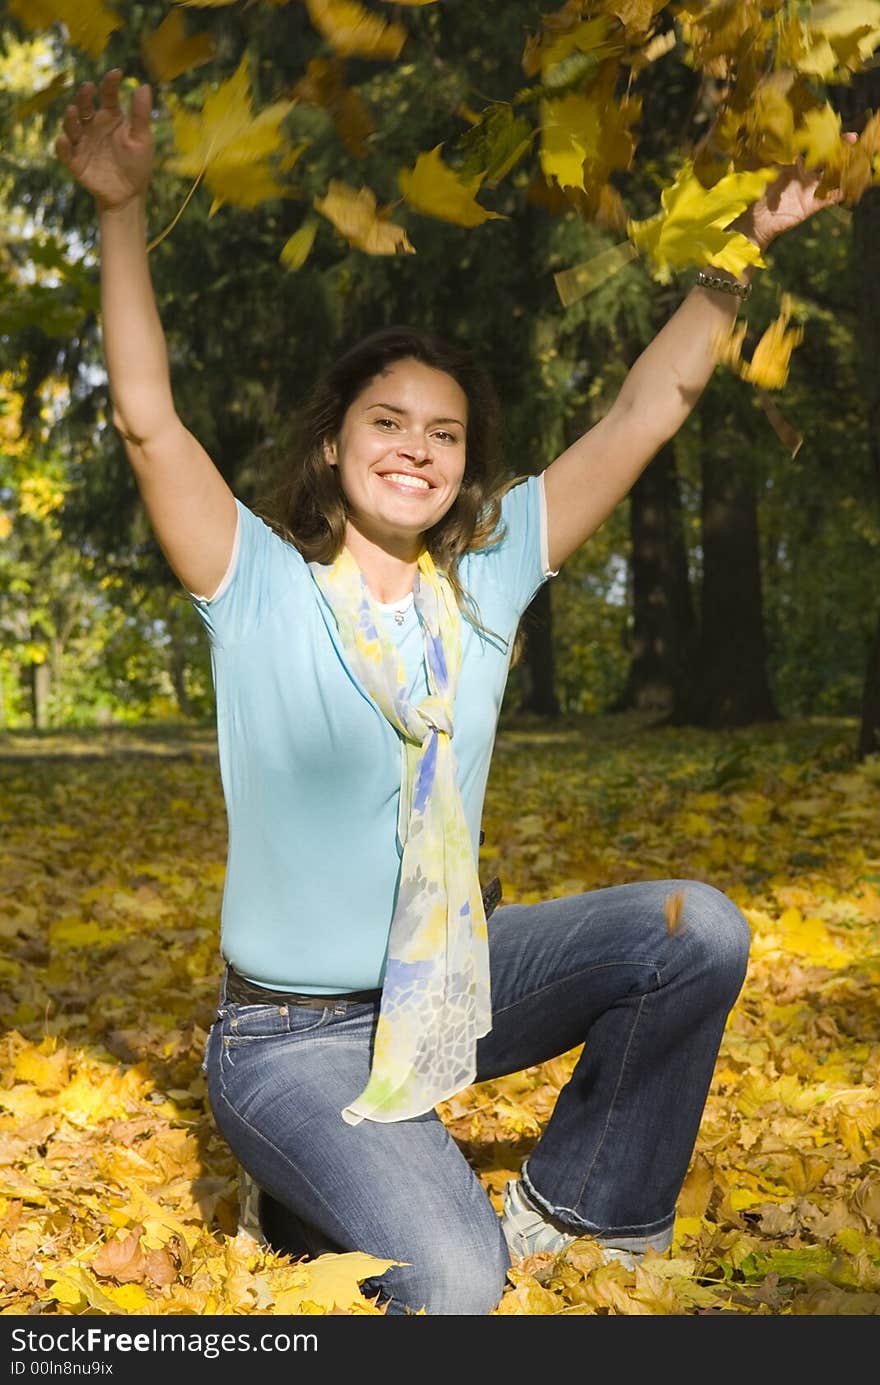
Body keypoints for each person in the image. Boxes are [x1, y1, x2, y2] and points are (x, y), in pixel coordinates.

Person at [56, 68, 842, 1317]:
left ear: (466, 464)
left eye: (445, 431)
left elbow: (647, 410)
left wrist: (742, 247)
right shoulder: (255, 580)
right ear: (334, 441)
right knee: (457, 1290)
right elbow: (148, 421)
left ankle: (582, 1202)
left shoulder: (482, 585)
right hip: (288, 1038)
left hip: (442, 994)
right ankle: (308, 1183)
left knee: (693, 927)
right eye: (388, 420)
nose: (417, 447)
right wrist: (117, 212)